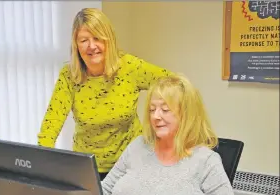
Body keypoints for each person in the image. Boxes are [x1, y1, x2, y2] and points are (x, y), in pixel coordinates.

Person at [37, 8, 174, 180]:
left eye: (97, 38)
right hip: (87, 168)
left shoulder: (130, 67)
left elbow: (173, 83)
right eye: (84, 40)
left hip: (132, 163)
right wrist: (41, 168)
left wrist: (158, 112)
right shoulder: (69, 76)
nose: (91, 46)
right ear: (76, 45)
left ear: (108, 39)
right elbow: (51, 125)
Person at [101, 74, 234, 195]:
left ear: (186, 114)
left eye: (165, 110)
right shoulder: (138, 145)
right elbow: (104, 189)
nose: (155, 116)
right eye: (152, 109)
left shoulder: (206, 161)